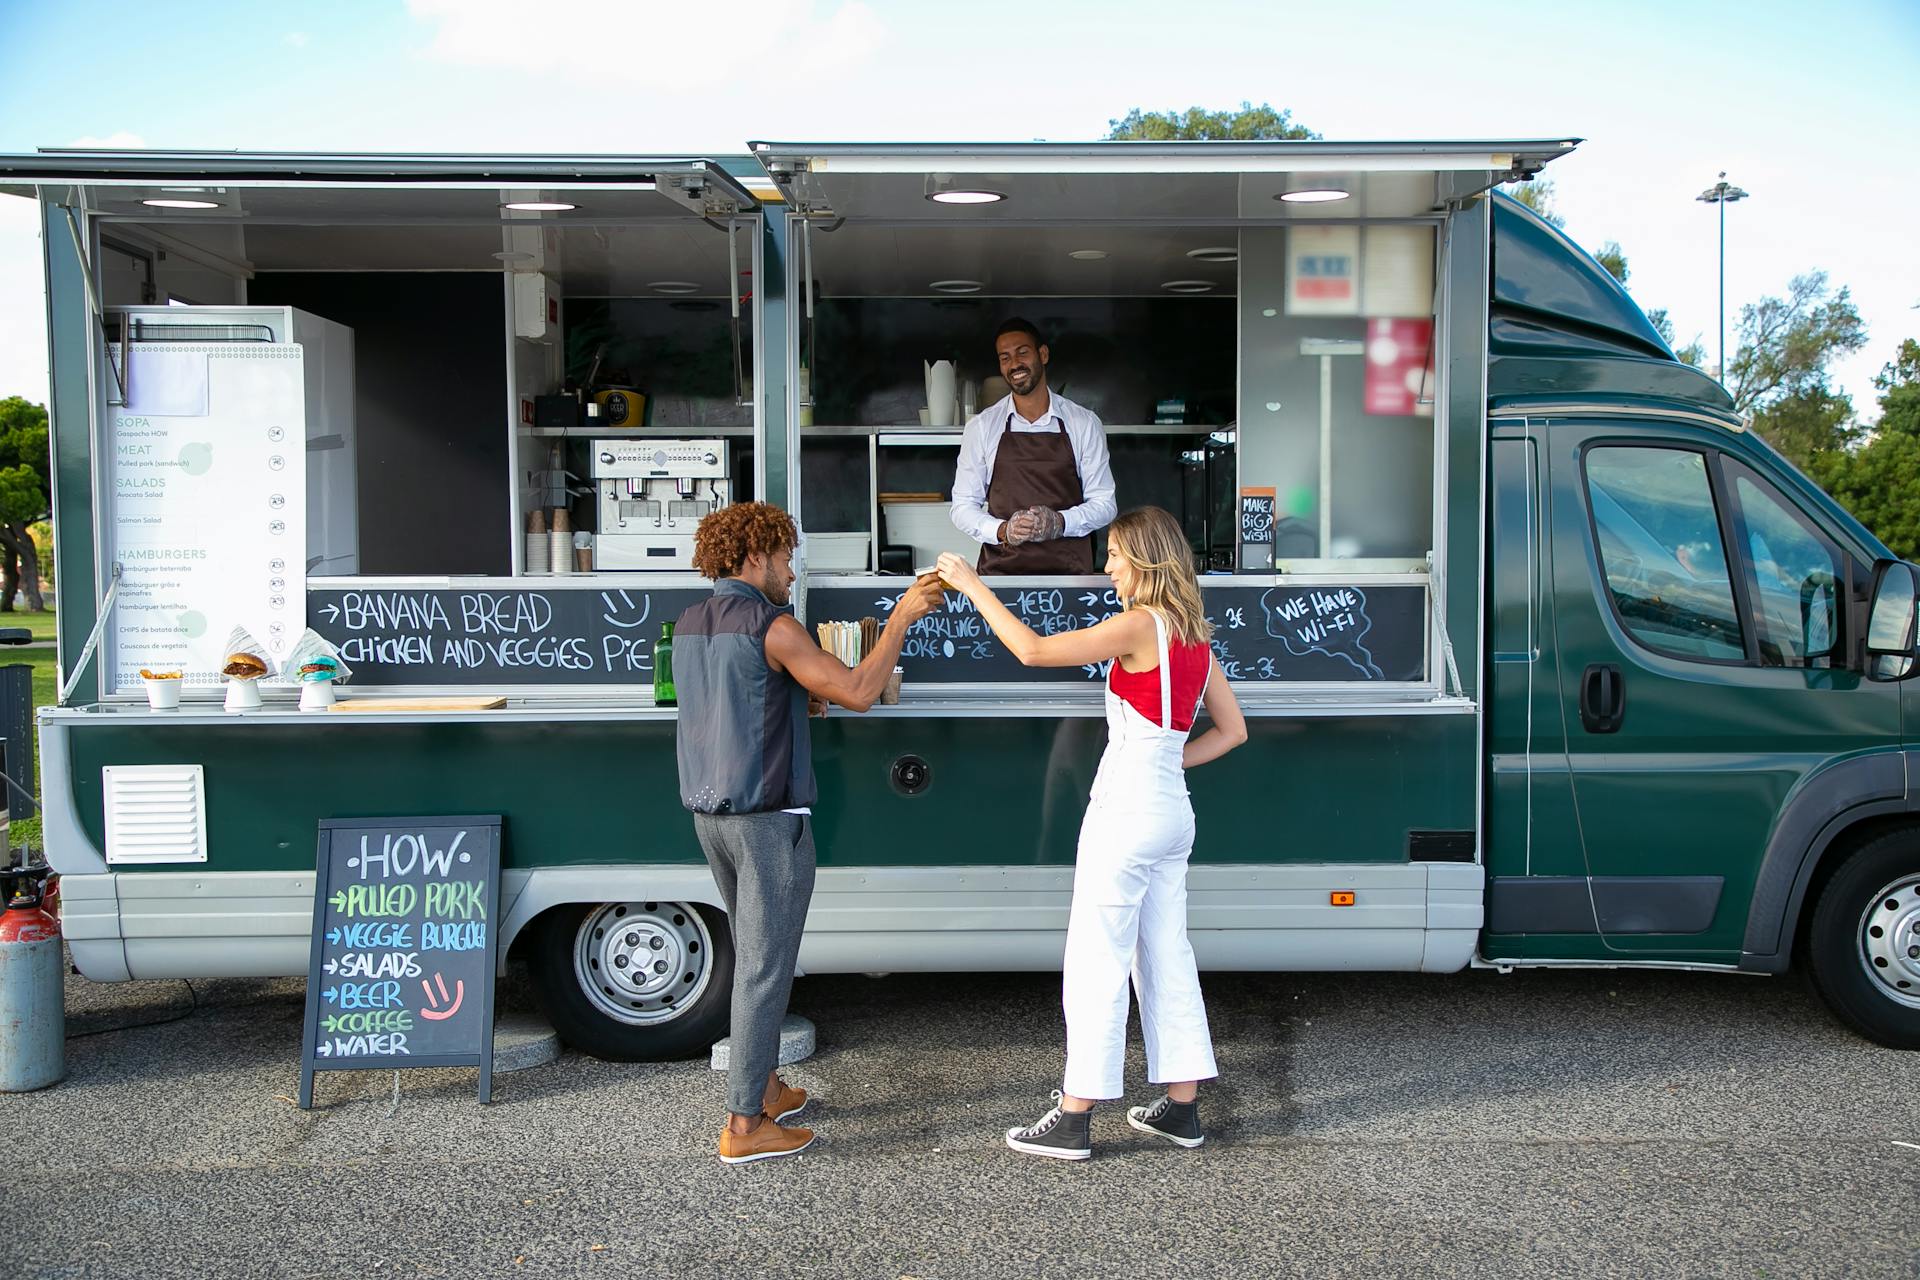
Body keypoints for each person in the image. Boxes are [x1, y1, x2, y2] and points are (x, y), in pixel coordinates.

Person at [935, 506, 1248, 1160]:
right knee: (1166, 953)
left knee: (1096, 959)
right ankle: (1182, 1109)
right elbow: (1233, 731)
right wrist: (1168, 760)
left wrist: (973, 584)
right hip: (1170, 809)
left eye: (1115, 555)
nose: (1107, 567)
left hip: (1127, 808)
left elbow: (1032, 650)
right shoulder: (1195, 635)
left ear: (1146, 560)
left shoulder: (1138, 625)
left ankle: (1075, 1115)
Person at [676, 502, 942, 1164]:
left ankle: (763, 1087)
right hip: (768, 818)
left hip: (711, 814)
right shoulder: (772, 624)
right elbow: (856, 689)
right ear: (755, 557)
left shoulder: (689, 624)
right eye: (786, 558)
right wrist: (901, 620)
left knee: (754, 955)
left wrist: (797, 699)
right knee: (767, 966)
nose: (791, 572)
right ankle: (744, 1127)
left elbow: (738, 704)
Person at [950, 317, 1117, 575]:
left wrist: (1060, 522)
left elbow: (1105, 503)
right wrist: (1004, 530)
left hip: (1070, 578)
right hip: (1001, 579)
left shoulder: (1083, 423)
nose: (1014, 364)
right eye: (1005, 357)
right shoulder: (982, 427)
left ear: (1043, 354)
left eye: (1022, 353)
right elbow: (962, 507)